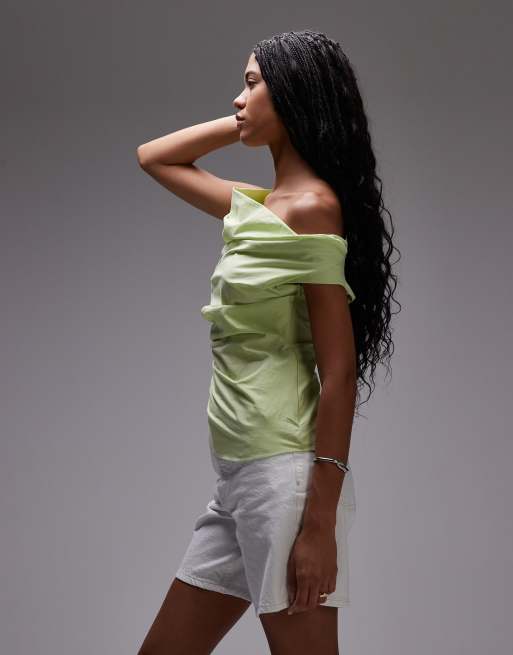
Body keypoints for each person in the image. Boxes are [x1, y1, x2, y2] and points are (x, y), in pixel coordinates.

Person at [135, 29, 400, 655]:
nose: (237, 98)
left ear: (292, 97)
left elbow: (339, 371)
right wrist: (251, 119)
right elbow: (154, 157)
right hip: (237, 478)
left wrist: (319, 526)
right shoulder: (257, 207)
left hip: (283, 480)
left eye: (251, 84)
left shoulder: (311, 210)